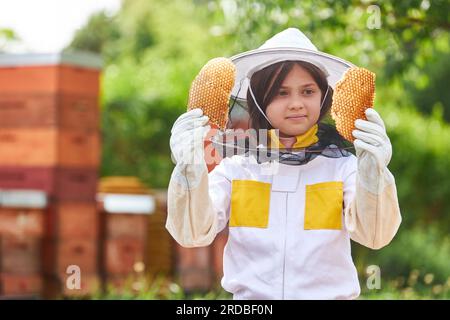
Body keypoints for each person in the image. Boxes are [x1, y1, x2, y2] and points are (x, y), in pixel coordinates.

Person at [166, 28, 401, 299]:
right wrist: (189, 166)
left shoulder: (343, 168)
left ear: (324, 97)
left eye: (308, 91)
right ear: (259, 99)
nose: (296, 104)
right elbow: (192, 233)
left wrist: (374, 170)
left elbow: (376, 235)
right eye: (281, 93)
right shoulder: (236, 169)